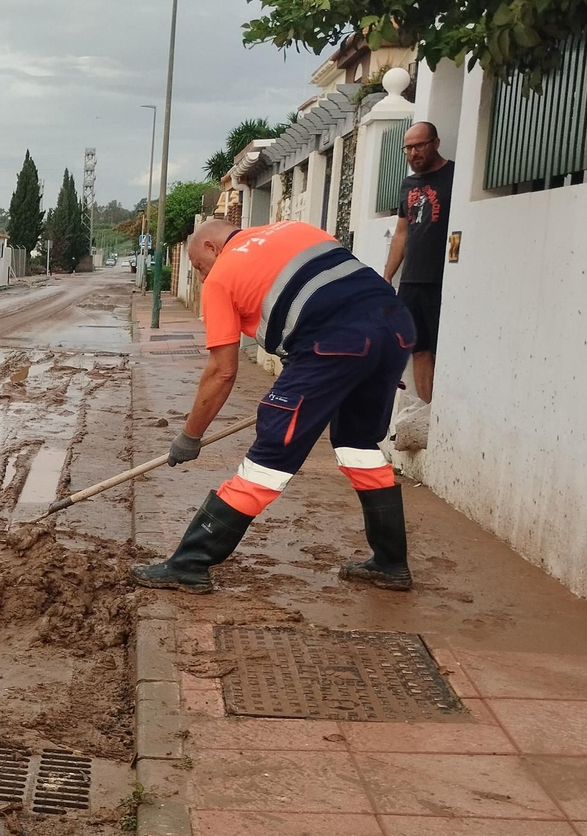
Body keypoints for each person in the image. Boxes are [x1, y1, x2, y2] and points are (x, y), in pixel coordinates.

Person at [130, 219, 417, 594]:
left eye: (199, 267)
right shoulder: (296, 229)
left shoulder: (222, 278)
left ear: (214, 248)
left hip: (335, 343)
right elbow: (335, 293)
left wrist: (190, 436)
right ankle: (391, 563)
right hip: (395, 330)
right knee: (358, 445)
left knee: (269, 456)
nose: (202, 279)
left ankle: (189, 563)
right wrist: (363, 367)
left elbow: (221, 372)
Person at [383, 121, 454, 403]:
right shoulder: (408, 184)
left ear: (435, 143)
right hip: (412, 279)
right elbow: (402, 232)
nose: (413, 153)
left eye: (419, 146)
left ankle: (443, 413)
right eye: (408, 148)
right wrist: (388, 275)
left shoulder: (454, 176)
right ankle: (428, 408)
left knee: (441, 346)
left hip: (442, 278)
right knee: (418, 348)